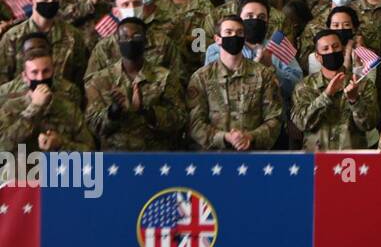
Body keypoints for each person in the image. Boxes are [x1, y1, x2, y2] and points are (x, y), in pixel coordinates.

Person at [83, 17, 186, 150]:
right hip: (116, 157)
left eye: (136, 36)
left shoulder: (165, 77)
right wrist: (114, 112)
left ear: (145, 40)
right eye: (125, 37)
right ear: (118, 42)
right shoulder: (100, 80)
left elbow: (180, 118)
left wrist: (147, 112)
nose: (130, 41)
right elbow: (92, 125)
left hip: (156, 156)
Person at [187, 15, 282, 150]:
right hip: (214, 157)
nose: (234, 36)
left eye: (239, 33)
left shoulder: (263, 74)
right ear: (218, 39)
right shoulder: (201, 77)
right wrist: (225, 138)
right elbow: (194, 123)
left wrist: (250, 137)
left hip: (253, 155)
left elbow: (274, 118)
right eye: (229, 32)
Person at [290, 29, 379, 150]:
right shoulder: (304, 86)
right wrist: (326, 95)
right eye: (325, 49)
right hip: (316, 158)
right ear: (318, 57)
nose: (331, 51)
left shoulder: (362, 84)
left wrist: (355, 100)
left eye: (335, 47)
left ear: (342, 50)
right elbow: (301, 123)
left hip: (351, 159)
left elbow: (370, 124)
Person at [0, 50, 95, 152]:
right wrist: (34, 107)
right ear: (25, 77)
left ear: (53, 73)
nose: (40, 78)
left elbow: (91, 152)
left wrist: (61, 144)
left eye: (46, 71)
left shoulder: (69, 109)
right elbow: (2, 147)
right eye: (34, 72)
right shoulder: (9, 108)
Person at [0, 0, 87, 83]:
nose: (50, 2)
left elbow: (80, 78)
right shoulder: (12, 37)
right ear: (32, 0)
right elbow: (3, 80)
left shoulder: (73, 36)